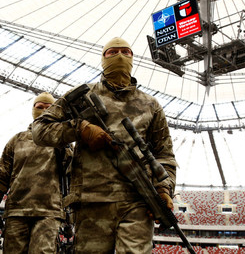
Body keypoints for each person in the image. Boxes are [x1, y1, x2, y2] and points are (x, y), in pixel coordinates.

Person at [32, 37, 177, 253]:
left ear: (133, 59)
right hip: (92, 202)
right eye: (113, 52)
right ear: (102, 58)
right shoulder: (82, 95)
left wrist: (165, 188)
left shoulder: (151, 105)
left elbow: (164, 154)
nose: (120, 56)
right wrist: (79, 128)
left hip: (137, 200)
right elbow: (40, 130)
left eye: (126, 52)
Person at [0, 92, 71, 253]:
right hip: (16, 211)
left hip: (49, 212)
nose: (44, 111)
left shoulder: (62, 141)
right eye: (39, 107)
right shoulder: (17, 140)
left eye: (48, 107)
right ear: (33, 110)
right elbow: (2, 176)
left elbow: (70, 178)